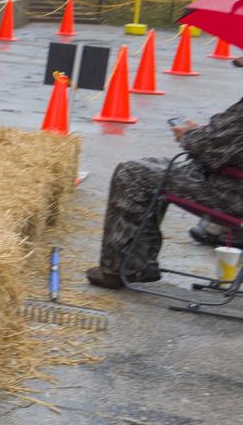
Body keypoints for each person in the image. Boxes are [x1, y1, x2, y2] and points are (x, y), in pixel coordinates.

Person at [86, 95, 243, 288]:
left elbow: (208, 148)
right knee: (154, 169)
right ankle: (138, 264)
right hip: (232, 185)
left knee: (132, 173)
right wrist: (202, 132)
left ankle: (120, 269)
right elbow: (225, 138)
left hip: (230, 194)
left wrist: (188, 135)